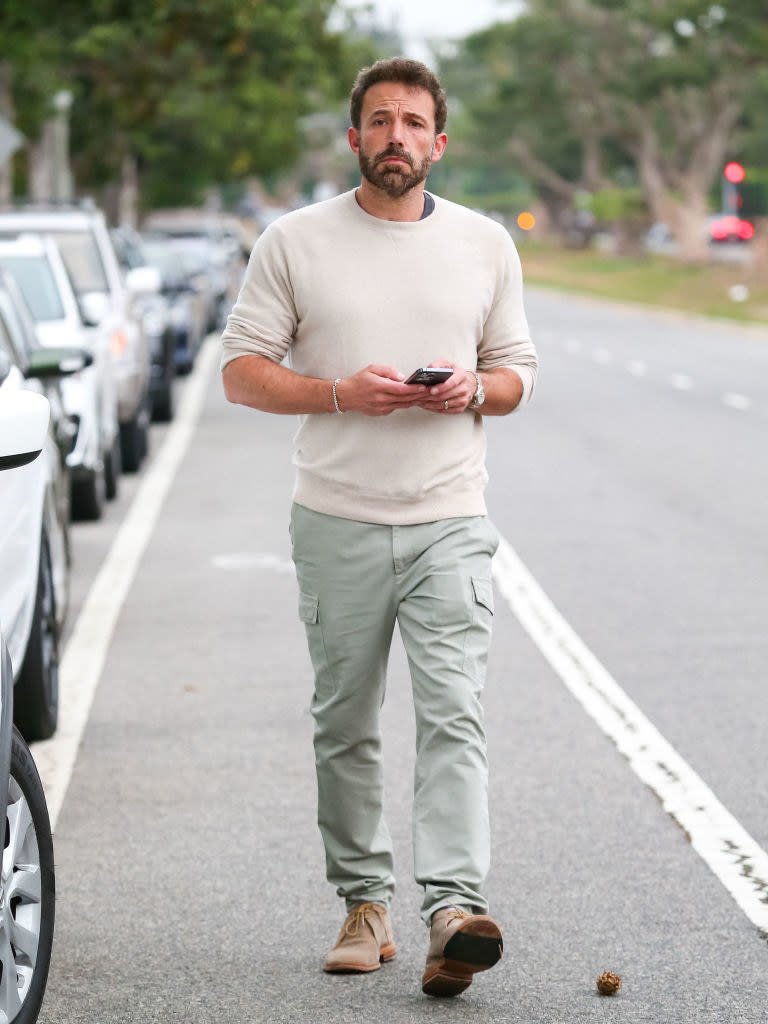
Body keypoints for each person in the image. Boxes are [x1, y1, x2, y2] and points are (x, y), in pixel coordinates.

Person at [220, 57, 538, 998]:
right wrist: (338, 394)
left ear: (439, 144)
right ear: (354, 136)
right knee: (346, 724)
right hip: (336, 519)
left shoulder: (485, 245)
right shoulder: (294, 241)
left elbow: (518, 373)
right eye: (379, 120)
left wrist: (477, 388)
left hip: (451, 520)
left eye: (414, 123)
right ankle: (364, 903)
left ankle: (452, 908)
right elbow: (242, 369)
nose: (396, 136)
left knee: (454, 718)